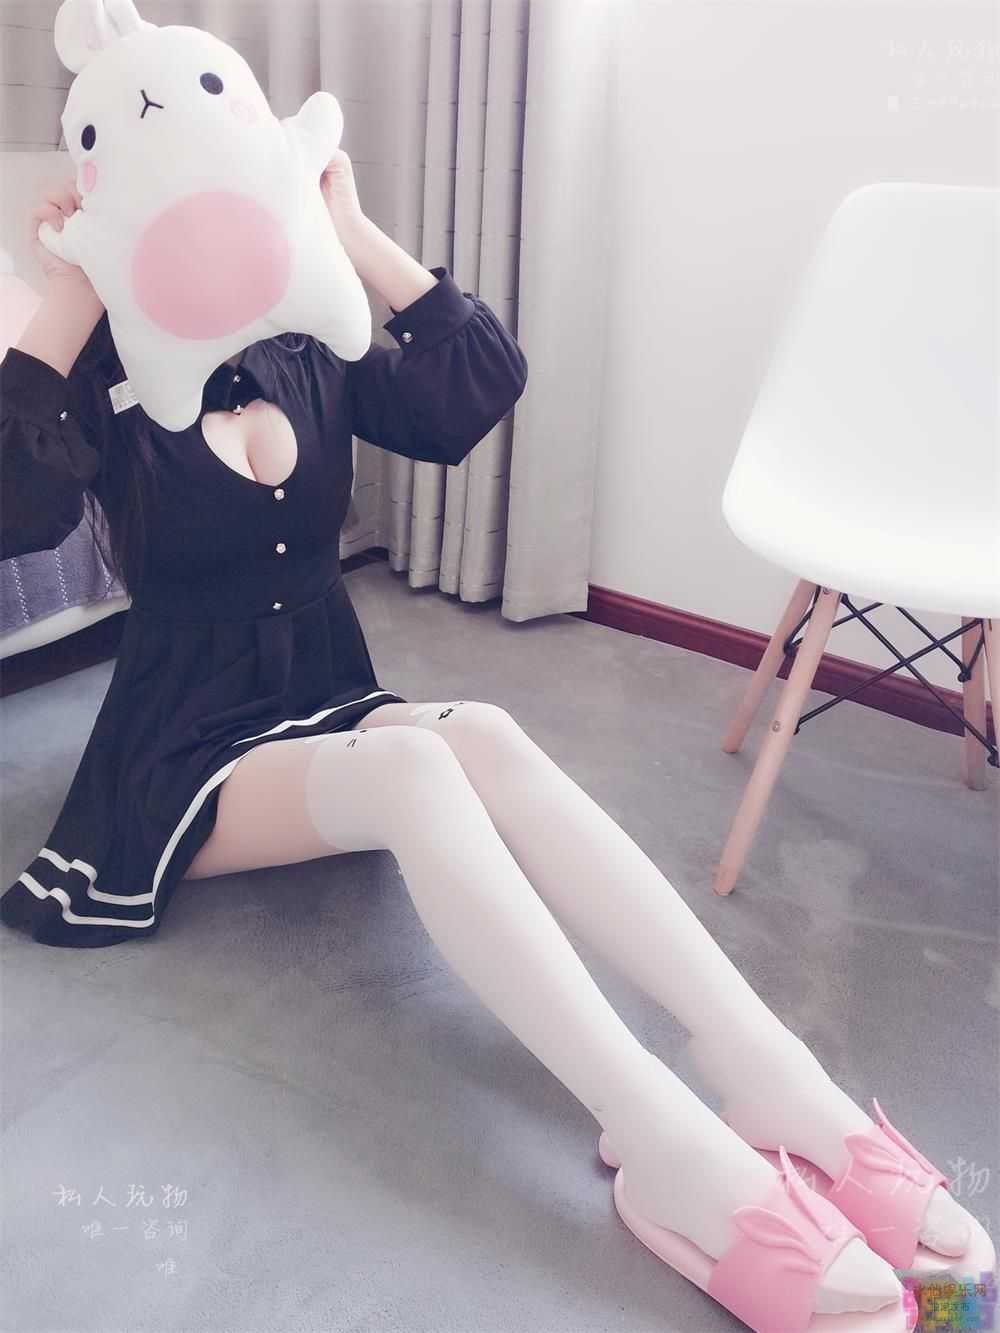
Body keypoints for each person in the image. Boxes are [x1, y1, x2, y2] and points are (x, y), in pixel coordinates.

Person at [0, 155, 978, 1330]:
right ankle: (657, 1132)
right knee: (415, 766)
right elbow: (15, 509)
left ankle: (769, 1075)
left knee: (488, 734)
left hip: (321, 697)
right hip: (177, 752)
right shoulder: (102, 374)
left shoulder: (304, 337)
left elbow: (471, 387)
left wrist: (351, 229)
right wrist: (72, 290)